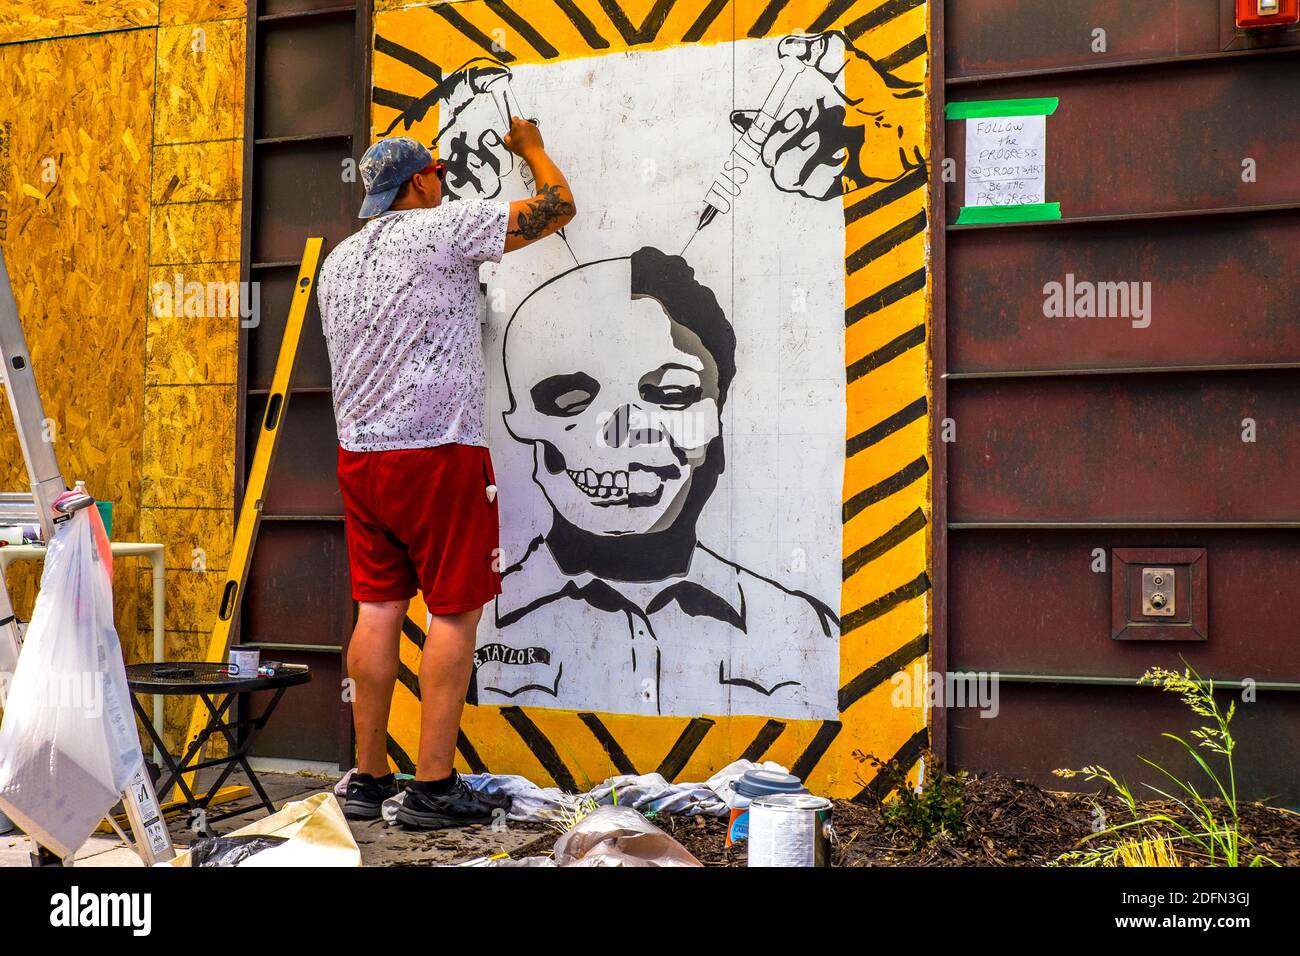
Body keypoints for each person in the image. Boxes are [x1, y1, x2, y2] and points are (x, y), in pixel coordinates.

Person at [316, 118, 575, 829]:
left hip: (362, 458)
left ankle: (368, 781)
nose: (444, 183)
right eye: (438, 174)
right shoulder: (442, 228)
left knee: (378, 609)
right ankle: (432, 788)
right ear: (421, 182)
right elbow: (558, 209)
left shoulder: (339, 262)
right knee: (453, 610)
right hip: (438, 452)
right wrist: (532, 152)